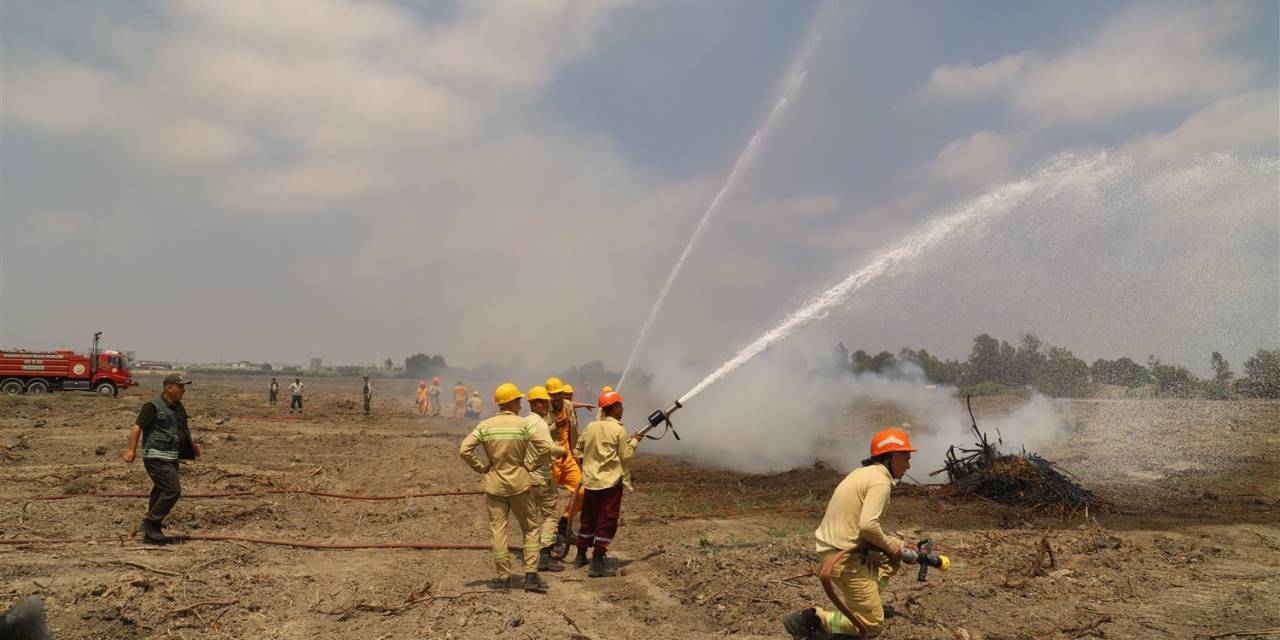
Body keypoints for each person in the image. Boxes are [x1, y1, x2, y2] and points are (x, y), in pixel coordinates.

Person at [781, 428, 917, 639]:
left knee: (891, 560)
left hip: (836, 550)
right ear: (893, 458)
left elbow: (860, 525)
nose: (909, 465)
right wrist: (892, 547)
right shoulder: (881, 481)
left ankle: (865, 605)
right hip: (844, 557)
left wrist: (898, 543)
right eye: (906, 459)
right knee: (872, 624)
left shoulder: (862, 473)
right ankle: (814, 619)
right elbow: (868, 526)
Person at [459, 383, 556, 593]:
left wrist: (481, 467)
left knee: (498, 531)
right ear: (511, 402)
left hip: (495, 485)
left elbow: (464, 449)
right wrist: (532, 465)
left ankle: (503, 577)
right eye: (519, 400)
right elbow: (546, 448)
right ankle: (531, 575)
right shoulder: (524, 425)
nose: (521, 404)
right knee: (530, 528)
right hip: (520, 485)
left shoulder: (485, 426)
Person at [122, 373, 200, 544]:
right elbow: (137, 428)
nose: (183, 390)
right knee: (173, 490)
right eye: (180, 387)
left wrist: (192, 446)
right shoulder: (152, 406)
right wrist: (131, 450)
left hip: (171, 456)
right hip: (155, 456)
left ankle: (152, 532)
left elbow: (183, 429)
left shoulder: (179, 407)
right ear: (169, 387)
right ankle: (149, 523)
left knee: (160, 491)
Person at [572, 390, 639, 577]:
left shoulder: (591, 427)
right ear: (615, 408)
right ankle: (598, 560)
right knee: (606, 520)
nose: (623, 409)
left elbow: (578, 451)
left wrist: (587, 466)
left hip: (590, 481)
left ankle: (580, 555)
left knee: (588, 518)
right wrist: (634, 442)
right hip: (609, 484)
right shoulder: (619, 430)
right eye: (621, 406)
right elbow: (624, 457)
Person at [524, 385, 568, 572]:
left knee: (531, 519)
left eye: (546, 402)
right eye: (541, 402)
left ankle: (531, 555)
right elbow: (547, 448)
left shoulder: (523, 422)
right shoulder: (540, 423)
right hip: (542, 477)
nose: (545, 406)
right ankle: (544, 555)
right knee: (551, 516)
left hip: (526, 477)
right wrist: (562, 450)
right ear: (533, 404)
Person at [545, 377, 582, 542]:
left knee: (583, 491)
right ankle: (550, 537)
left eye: (559, 394)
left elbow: (575, 431)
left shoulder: (568, 406)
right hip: (551, 460)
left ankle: (565, 523)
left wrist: (578, 453)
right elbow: (538, 434)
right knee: (550, 501)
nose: (557, 397)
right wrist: (555, 426)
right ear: (549, 395)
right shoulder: (543, 410)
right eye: (553, 395)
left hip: (568, 458)